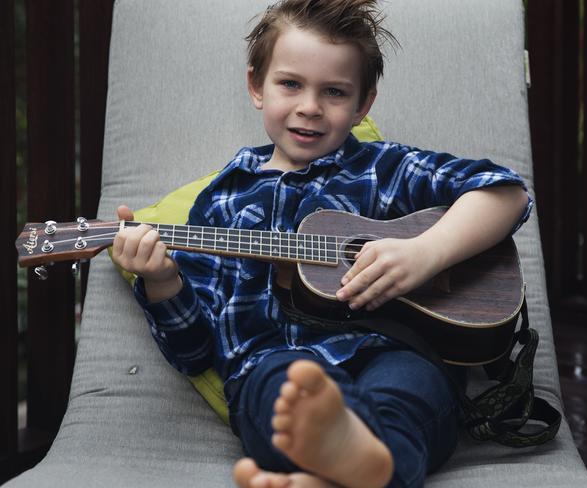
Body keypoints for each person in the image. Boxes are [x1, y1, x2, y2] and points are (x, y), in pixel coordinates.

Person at [111, 1, 532, 486]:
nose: (309, 106)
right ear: (256, 87)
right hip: (272, 364)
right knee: (281, 392)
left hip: (393, 350)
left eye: (334, 92)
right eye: (290, 84)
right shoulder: (223, 201)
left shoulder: (381, 169)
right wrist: (162, 280)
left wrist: (425, 253)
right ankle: (349, 462)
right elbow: (195, 353)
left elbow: (505, 192)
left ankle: (348, 460)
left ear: (362, 106)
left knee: (410, 395)